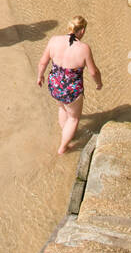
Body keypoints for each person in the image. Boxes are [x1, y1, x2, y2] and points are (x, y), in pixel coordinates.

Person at [37, 15, 102, 155]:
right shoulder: (84, 48)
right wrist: (99, 83)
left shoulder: (54, 40)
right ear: (82, 30)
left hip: (54, 85)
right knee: (74, 118)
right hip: (71, 91)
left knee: (62, 108)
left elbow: (43, 62)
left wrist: (40, 76)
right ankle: (63, 147)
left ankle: (65, 132)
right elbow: (93, 72)